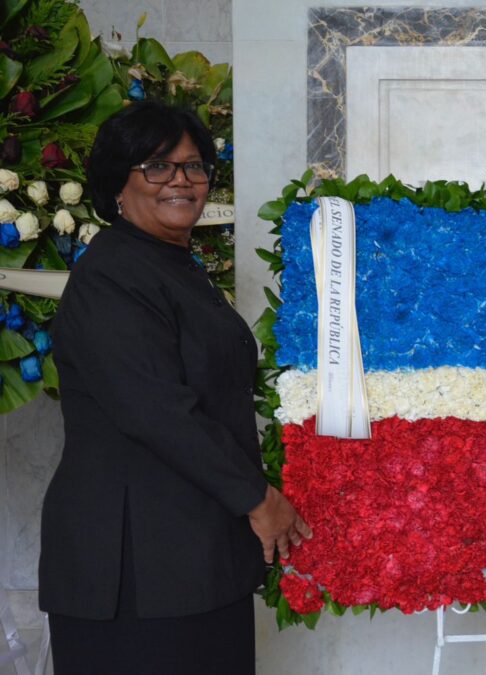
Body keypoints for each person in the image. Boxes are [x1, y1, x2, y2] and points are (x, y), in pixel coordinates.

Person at [39, 101, 312, 674]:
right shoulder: (111, 277)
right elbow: (159, 412)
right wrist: (258, 499)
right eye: (158, 167)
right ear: (118, 183)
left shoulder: (172, 265)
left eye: (194, 166)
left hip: (192, 554)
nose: (182, 181)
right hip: (136, 572)